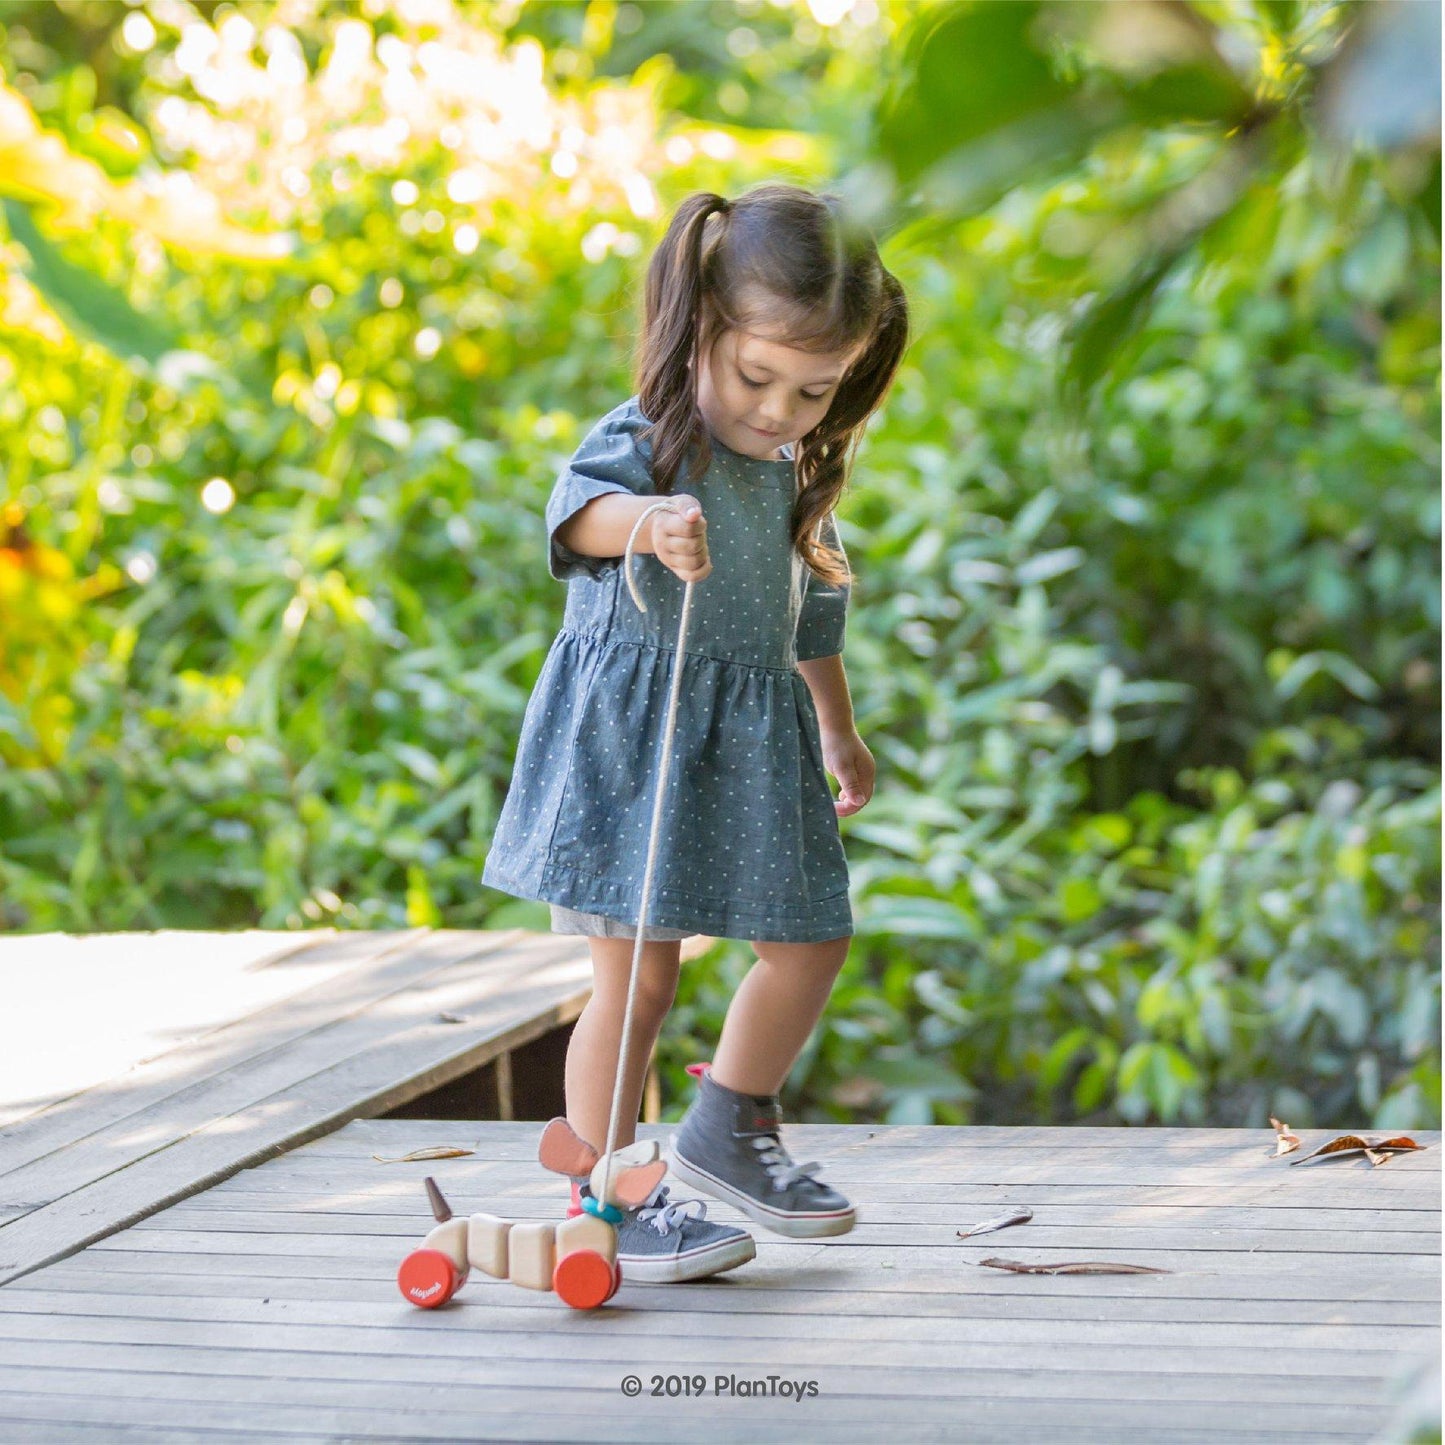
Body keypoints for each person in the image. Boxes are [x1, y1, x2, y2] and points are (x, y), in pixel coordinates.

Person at [481, 181, 909, 1283]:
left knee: (811, 936)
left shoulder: (794, 473)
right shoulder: (650, 439)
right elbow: (574, 517)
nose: (778, 409)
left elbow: (808, 611)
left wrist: (835, 721)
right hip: (635, 739)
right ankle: (611, 1195)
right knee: (639, 984)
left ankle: (731, 1118)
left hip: (754, 739)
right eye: (756, 374)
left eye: (815, 388)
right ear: (700, 329)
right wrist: (652, 519)